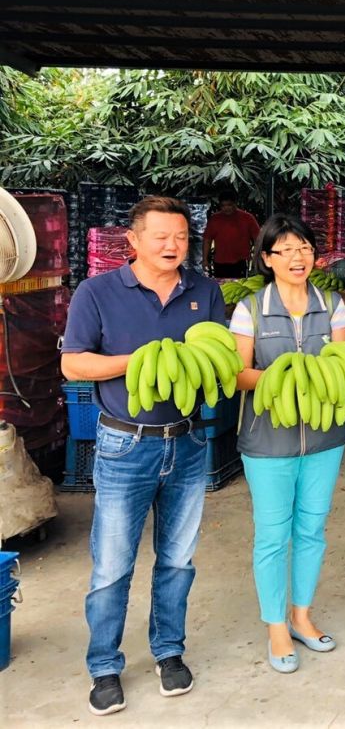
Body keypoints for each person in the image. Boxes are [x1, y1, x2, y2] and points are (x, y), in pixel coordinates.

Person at [61, 196, 225, 716]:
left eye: (181, 236)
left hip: (189, 441)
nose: (173, 245)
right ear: (133, 240)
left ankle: (169, 651)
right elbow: (74, 364)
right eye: (161, 236)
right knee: (112, 565)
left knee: (177, 560)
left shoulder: (205, 291)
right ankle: (104, 665)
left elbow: (220, 359)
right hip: (124, 443)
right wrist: (141, 360)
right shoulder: (97, 292)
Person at [230, 214, 345, 674]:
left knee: (312, 530)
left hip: (325, 438)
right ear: (267, 258)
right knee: (271, 535)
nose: (297, 257)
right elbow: (238, 375)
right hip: (267, 442)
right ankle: (276, 625)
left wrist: (317, 374)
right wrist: (287, 374)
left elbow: (342, 365)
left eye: (304, 248)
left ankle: (301, 616)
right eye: (285, 250)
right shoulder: (250, 310)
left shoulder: (332, 305)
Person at [202, 190, 260, 278]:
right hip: (220, 262)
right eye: (223, 206)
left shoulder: (247, 218)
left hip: (241, 261)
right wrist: (205, 260)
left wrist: (256, 256)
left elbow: (257, 239)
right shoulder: (214, 219)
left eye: (229, 205)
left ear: (235, 203)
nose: (226, 208)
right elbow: (207, 240)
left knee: (239, 285)